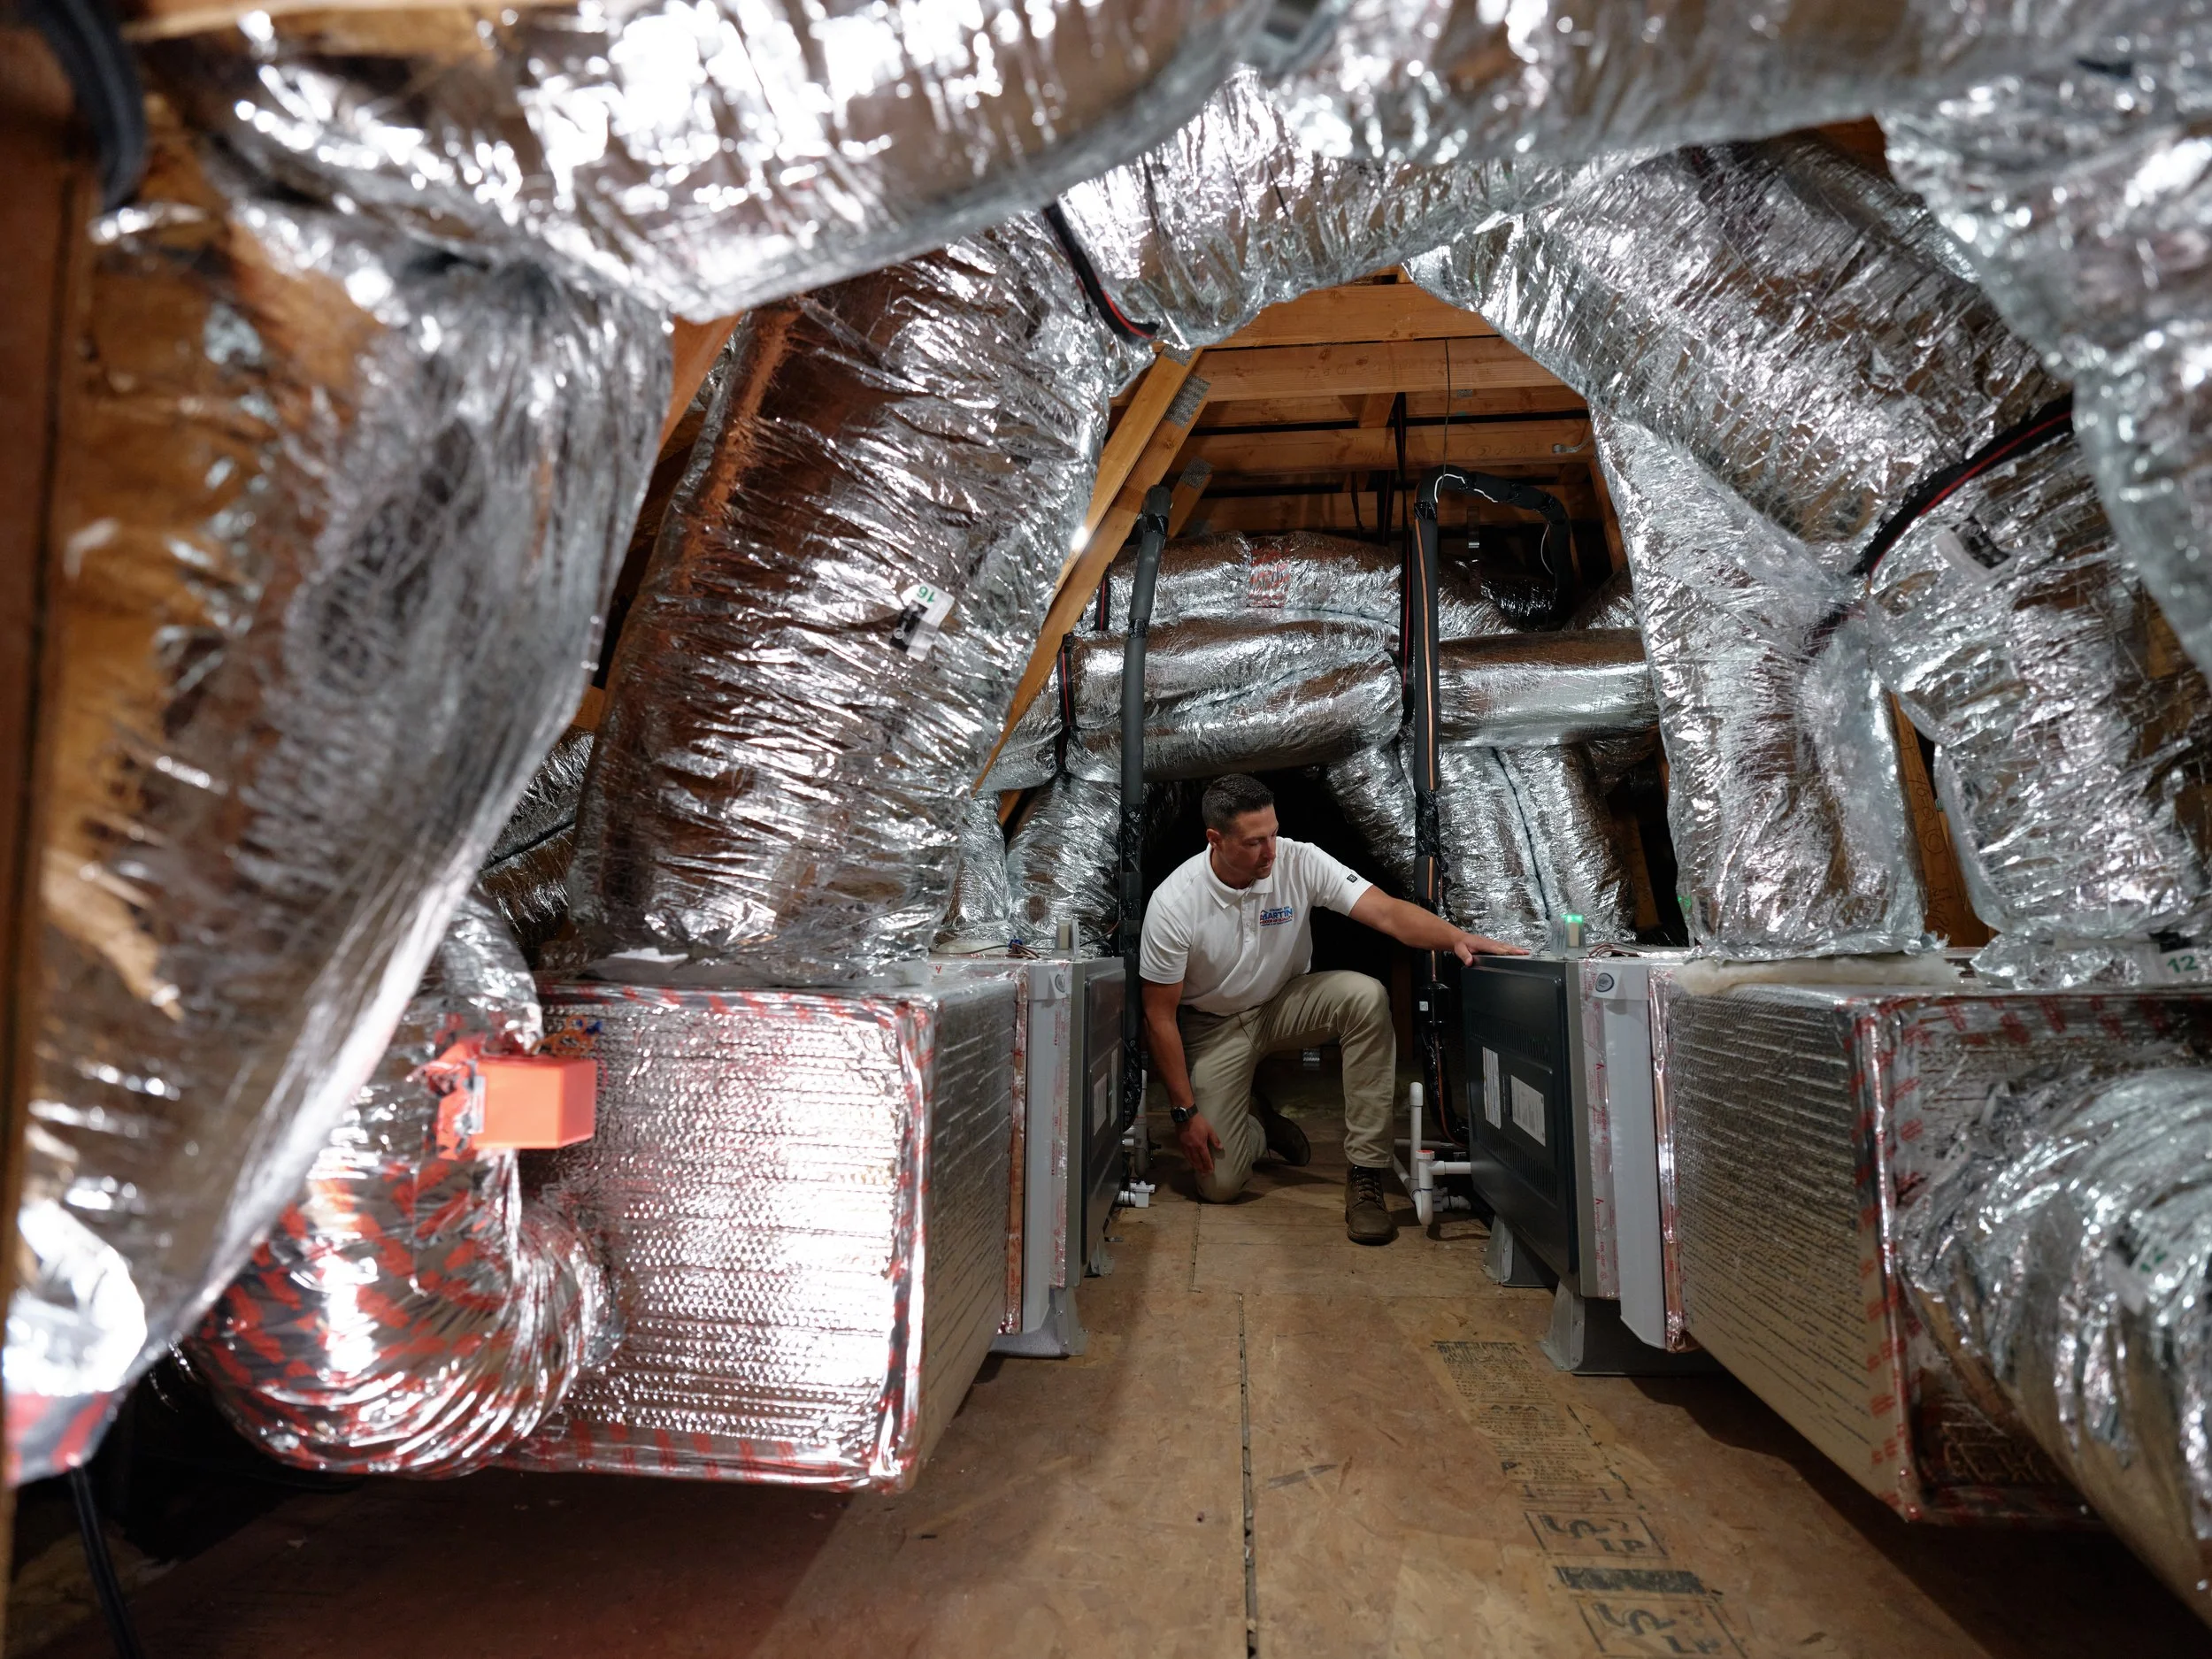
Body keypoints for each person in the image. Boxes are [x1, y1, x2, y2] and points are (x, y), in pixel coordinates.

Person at [1140, 773, 1527, 1244]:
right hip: (1210, 1026)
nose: (1270, 852)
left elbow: (1386, 912)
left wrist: (1456, 938)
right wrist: (1184, 1114)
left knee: (1364, 996)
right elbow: (1159, 1017)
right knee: (1220, 1185)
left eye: (1273, 834)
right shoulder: (1174, 904)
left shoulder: (1298, 861)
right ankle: (1257, 1125)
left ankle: (1366, 1173)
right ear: (1215, 840)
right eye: (1255, 842)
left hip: (1282, 1003)